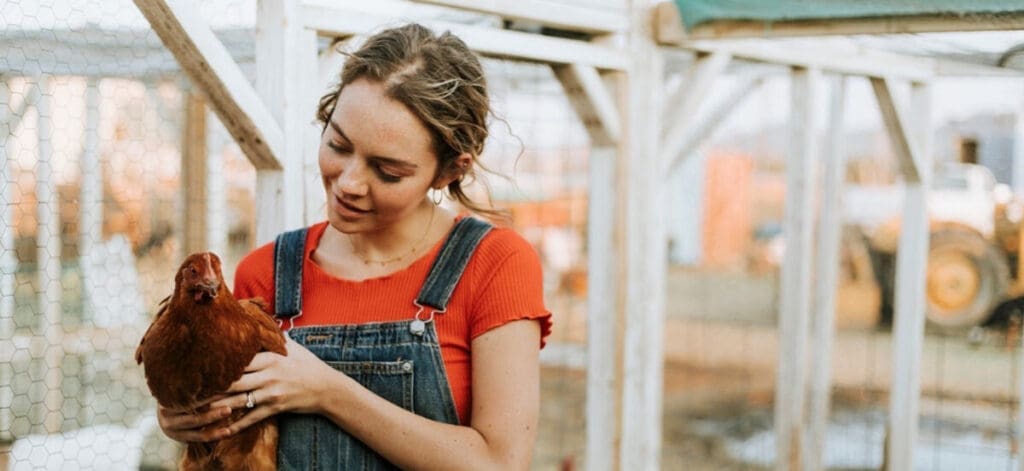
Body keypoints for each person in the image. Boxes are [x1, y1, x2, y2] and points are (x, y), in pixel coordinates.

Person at [155, 23, 552, 469]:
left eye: (388, 171)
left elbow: (501, 463)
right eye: (339, 145)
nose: (349, 183)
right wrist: (188, 415)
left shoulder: (494, 263)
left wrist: (328, 392)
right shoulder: (264, 274)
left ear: (449, 171)